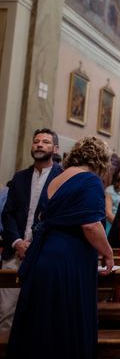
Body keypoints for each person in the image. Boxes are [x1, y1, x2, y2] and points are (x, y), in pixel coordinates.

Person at [7, 136, 114, 358]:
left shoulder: (57, 177)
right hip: (69, 261)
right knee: (64, 325)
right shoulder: (90, 180)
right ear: (100, 161)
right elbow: (91, 225)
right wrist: (108, 252)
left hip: (44, 256)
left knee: (42, 327)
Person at [0, 128, 63, 334]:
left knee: (38, 311)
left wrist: (36, 245)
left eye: (45, 142)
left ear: (55, 148)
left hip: (45, 254)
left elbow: (59, 218)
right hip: (14, 252)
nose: (39, 145)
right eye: (36, 141)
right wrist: (17, 242)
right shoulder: (20, 178)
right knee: (5, 311)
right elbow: (7, 214)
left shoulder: (62, 178)